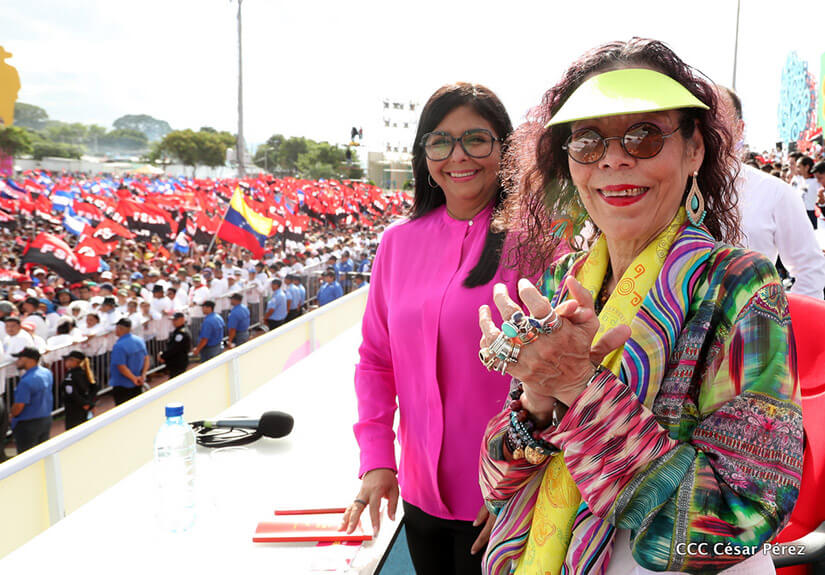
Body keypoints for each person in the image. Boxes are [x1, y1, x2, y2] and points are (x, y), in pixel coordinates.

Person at [477, 39, 802, 575]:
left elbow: (737, 521)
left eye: (644, 135)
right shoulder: (563, 281)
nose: (613, 158)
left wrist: (580, 391)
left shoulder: (742, 287)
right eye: (587, 140)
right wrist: (536, 402)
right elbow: (497, 488)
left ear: (694, 149)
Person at [342, 82, 522, 574]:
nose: (457, 156)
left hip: (506, 500)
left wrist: (520, 478)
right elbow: (376, 362)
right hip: (421, 497)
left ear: (504, 149)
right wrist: (378, 458)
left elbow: (559, 379)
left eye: (476, 139)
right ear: (424, 155)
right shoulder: (398, 244)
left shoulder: (539, 245)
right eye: (440, 141)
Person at [717, 87, 825, 298]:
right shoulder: (669, 187)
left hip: (751, 327)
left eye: (719, 118)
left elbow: (809, 269)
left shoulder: (774, 192)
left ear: (740, 128)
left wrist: (787, 325)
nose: (709, 128)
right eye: (699, 119)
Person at [10, 347, 53, 453]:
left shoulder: (26, 381)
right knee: (42, 455)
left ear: (30, 360)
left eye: (20, 358)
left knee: (26, 459)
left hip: (28, 425)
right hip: (45, 420)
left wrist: (12, 415)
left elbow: (19, 406)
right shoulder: (46, 372)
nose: (17, 361)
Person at [109, 317, 149, 406]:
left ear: (119, 328)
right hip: (138, 382)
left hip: (123, 385)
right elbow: (146, 358)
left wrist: (134, 379)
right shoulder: (139, 340)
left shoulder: (119, 346)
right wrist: (143, 376)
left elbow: (121, 366)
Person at [61, 350, 96, 430]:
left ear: (74, 362)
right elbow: (94, 388)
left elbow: (72, 393)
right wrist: (89, 403)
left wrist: (85, 404)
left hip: (74, 409)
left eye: (68, 359)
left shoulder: (71, 376)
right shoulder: (85, 373)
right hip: (85, 407)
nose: (66, 362)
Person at [160, 312, 191, 378]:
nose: (173, 322)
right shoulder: (179, 330)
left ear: (182, 319)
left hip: (178, 363)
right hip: (177, 362)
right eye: (173, 320)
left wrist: (162, 355)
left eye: (176, 320)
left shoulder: (181, 333)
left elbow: (174, 349)